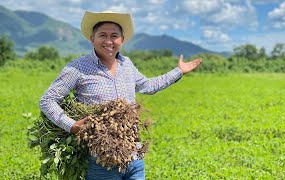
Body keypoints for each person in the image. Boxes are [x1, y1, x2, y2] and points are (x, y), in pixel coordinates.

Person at [39, 10, 202, 180]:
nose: (109, 41)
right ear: (92, 38)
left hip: (134, 157)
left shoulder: (127, 65)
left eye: (114, 36)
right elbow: (47, 100)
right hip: (101, 160)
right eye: (102, 35)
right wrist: (71, 125)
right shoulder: (77, 68)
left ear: (122, 40)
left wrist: (179, 72)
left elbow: (148, 86)